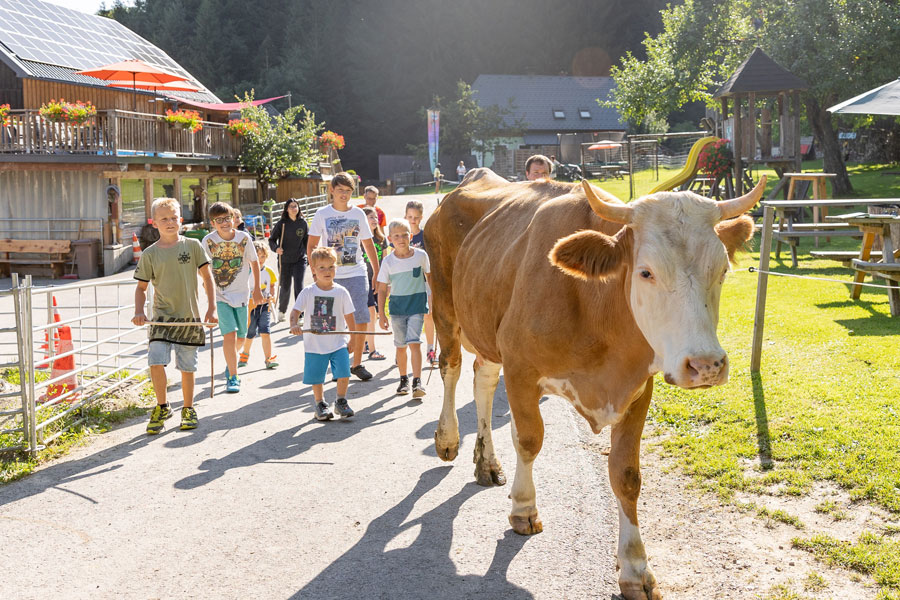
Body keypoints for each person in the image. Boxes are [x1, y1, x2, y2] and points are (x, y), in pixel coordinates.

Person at [132, 197, 216, 435]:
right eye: (163, 219)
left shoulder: (192, 246)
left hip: (189, 318)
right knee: (156, 361)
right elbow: (141, 289)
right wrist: (139, 311)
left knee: (187, 366)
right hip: (161, 319)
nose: (169, 223)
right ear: (154, 223)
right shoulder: (149, 254)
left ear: (180, 220)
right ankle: (162, 405)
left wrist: (211, 308)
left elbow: (207, 278)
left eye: (173, 218)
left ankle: (188, 408)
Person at [307, 172, 381, 381]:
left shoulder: (358, 214)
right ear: (332, 190)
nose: (344, 195)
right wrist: (315, 271)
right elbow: (312, 245)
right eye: (340, 190)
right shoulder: (322, 214)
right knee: (329, 322)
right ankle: (335, 364)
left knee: (361, 318)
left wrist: (375, 271)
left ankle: (356, 363)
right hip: (330, 274)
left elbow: (368, 243)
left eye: (348, 191)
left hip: (356, 272)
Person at [203, 202, 263, 393]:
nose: (224, 223)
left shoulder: (244, 238)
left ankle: (231, 363)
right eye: (219, 220)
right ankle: (234, 376)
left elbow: (254, 263)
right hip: (220, 296)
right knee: (228, 335)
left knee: (241, 336)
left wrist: (257, 290)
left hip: (242, 293)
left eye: (227, 218)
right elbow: (202, 268)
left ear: (233, 219)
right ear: (213, 223)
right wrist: (208, 290)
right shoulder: (208, 241)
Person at [290, 247, 357, 420]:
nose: (327, 271)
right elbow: (295, 311)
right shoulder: (308, 292)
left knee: (343, 372)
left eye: (331, 267)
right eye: (322, 267)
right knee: (317, 376)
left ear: (336, 268)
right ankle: (320, 404)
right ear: (313, 270)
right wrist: (294, 324)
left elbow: (350, 317)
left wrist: (353, 339)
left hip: (338, 342)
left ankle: (341, 401)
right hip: (315, 344)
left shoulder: (342, 292)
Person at [377, 219, 430, 398]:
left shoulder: (421, 256)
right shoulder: (388, 262)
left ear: (411, 236)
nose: (401, 239)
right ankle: (403, 379)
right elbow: (382, 288)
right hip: (397, 308)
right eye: (396, 236)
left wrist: (434, 301)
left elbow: (430, 279)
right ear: (390, 239)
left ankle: (417, 381)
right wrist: (381, 315)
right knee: (401, 346)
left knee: (414, 342)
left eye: (404, 235)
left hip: (416, 305)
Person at [404, 200, 436, 365]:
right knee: (406, 317)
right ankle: (402, 349)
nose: (413, 220)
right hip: (405, 283)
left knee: (428, 315)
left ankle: (431, 349)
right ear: (405, 216)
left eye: (416, 217)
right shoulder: (402, 235)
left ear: (421, 217)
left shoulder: (425, 236)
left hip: (423, 281)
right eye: (410, 216)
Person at [239, 241, 279, 370]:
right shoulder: (246, 272)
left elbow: (272, 285)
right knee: (250, 333)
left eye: (262, 256)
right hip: (250, 306)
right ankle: (245, 354)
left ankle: (268, 358)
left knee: (265, 332)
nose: (260, 259)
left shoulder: (269, 272)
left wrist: (272, 296)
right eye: (257, 256)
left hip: (265, 307)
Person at [269, 198, 309, 323]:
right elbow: (271, 240)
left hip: (300, 259)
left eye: (295, 206)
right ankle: (282, 310)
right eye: (291, 206)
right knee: (285, 287)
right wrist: (276, 249)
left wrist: (309, 257)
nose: (294, 208)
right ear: (287, 209)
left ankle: (300, 315)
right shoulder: (282, 224)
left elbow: (307, 241)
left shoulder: (303, 223)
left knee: (299, 287)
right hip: (285, 260)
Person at [361, 206, 389, 361]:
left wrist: (385, 282)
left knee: (374, 313)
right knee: (370, 312)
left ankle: (366, 342)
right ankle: (371, 348)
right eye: (370, 217)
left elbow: (385, 260)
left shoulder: (381, 239)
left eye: (375, 218)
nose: (374, 220)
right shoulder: (360, 239)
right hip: (363, 279)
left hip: (378, 281)